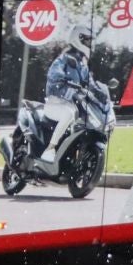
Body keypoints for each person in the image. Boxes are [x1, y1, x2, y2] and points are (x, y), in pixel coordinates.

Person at [39, 28, 94, 164]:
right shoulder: (64, 58)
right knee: (69, 114)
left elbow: (89, 82)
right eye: (86, 40)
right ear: (78, 38)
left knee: (84, 122)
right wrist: (62, 77)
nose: (89, 43)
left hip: (70, 105)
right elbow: (54, 72)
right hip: (54, 103)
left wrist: (99, 91)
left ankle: (73, 157)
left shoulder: (82, 64)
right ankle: (50, 149)